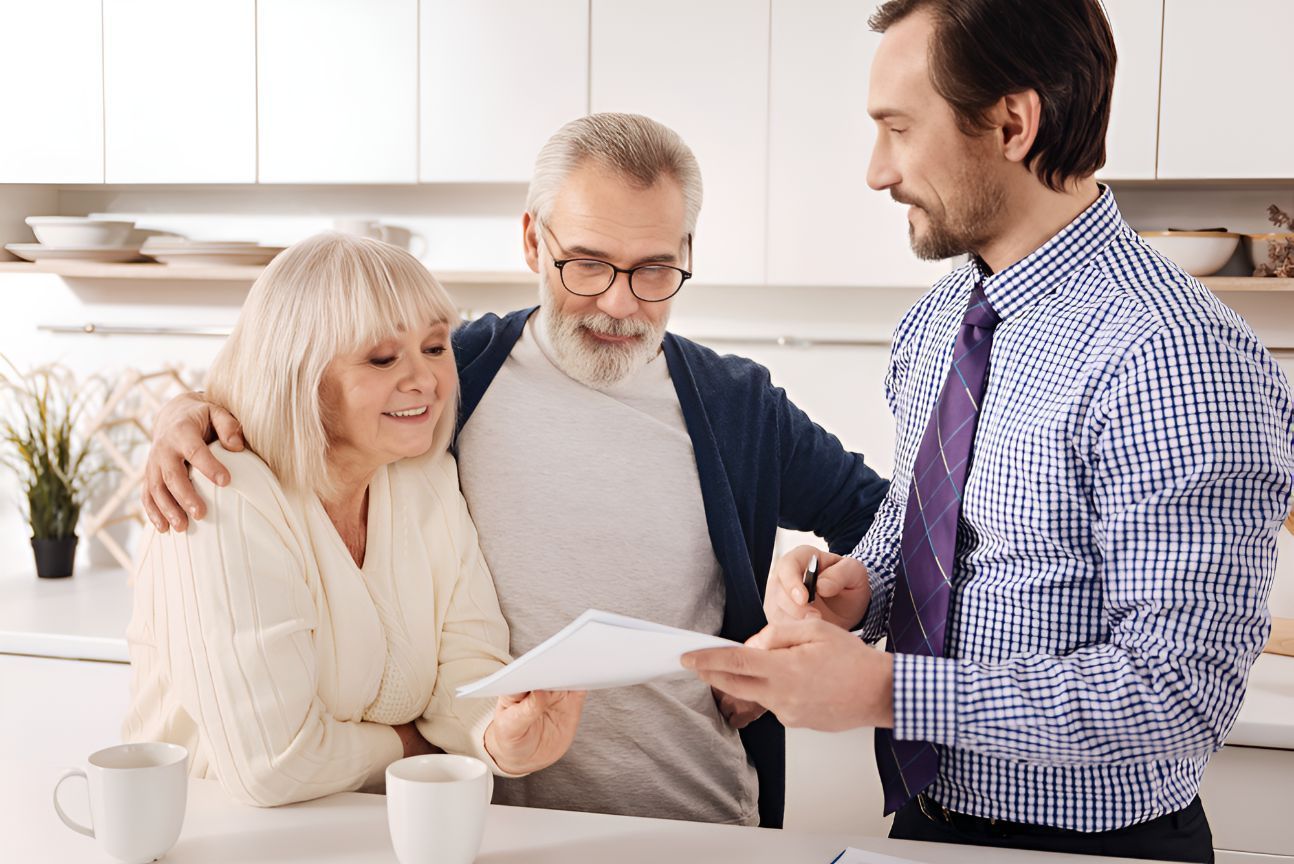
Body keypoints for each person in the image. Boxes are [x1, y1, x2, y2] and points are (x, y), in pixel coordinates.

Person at [138, 113, 890, 827]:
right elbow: (322, 382)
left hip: (698, 823)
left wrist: (807, 618)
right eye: (589, 264)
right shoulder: (455, 374)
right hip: (495, 828)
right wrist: (193, 409)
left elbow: (889, 524)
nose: (620, 303)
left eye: (655, 269)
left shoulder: (739, 406)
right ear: (533, 240)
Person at [682, 1, 1294, 861]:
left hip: (1098, 847)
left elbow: (1179, 690)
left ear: (1013, 122)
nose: (875, 171)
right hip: (928, 821)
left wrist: (890, 690)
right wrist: (862, 584)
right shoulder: (939, 321)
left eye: (898, 128)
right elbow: (926, 525)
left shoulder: (1175, 357)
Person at [123, 233, 585, 807]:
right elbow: (273, 767)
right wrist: (415, 745)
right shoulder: (224, 493)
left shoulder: (425, 480)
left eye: (436, 347)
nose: (424, 379)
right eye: (382, 358)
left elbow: (466, 662)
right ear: (300, 374)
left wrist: (498, 736)